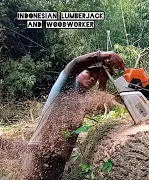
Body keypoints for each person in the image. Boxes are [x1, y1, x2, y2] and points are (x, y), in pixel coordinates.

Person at [24, 51, 125, 179]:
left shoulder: (84, 99)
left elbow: (99, 107)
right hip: (41, 147)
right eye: (88, 73)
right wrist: (106, 55)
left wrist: (103, 80)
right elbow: (75, 63)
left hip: (61, 156)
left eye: (96, 77)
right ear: (78, 74)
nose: (93, 78)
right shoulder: (66, 86)